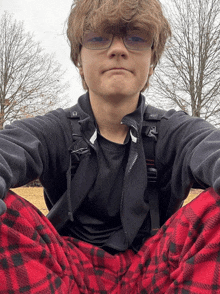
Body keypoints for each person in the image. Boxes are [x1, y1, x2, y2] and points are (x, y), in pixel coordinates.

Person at [0, 0, 220, 293]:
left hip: (155, 270)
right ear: (79, 58)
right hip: (62, 270)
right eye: (98, 38)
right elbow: (9, 146)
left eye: (136, 38)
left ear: (152, 60)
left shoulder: (175, 130)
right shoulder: (54, 129)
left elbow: (211, 146)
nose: (118, 49)